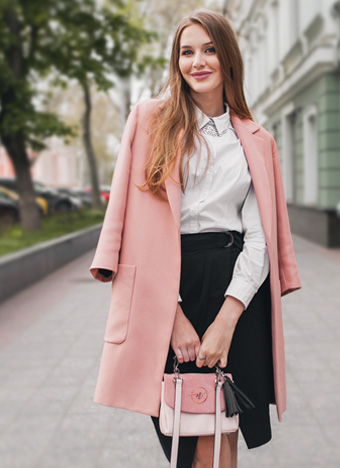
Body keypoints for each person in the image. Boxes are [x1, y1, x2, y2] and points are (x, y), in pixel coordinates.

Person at [89, 8, 301, 468]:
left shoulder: (257, 139)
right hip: (169, 287)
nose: (197, 61)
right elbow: (128, 228)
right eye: (187, 52)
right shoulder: (149, 120)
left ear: (228, 59)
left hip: (235, 291)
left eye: (208, 50)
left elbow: (259, 239)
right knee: (192, 439)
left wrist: (229, 316)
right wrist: (173, 317)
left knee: (224, 436)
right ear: (176, 61)